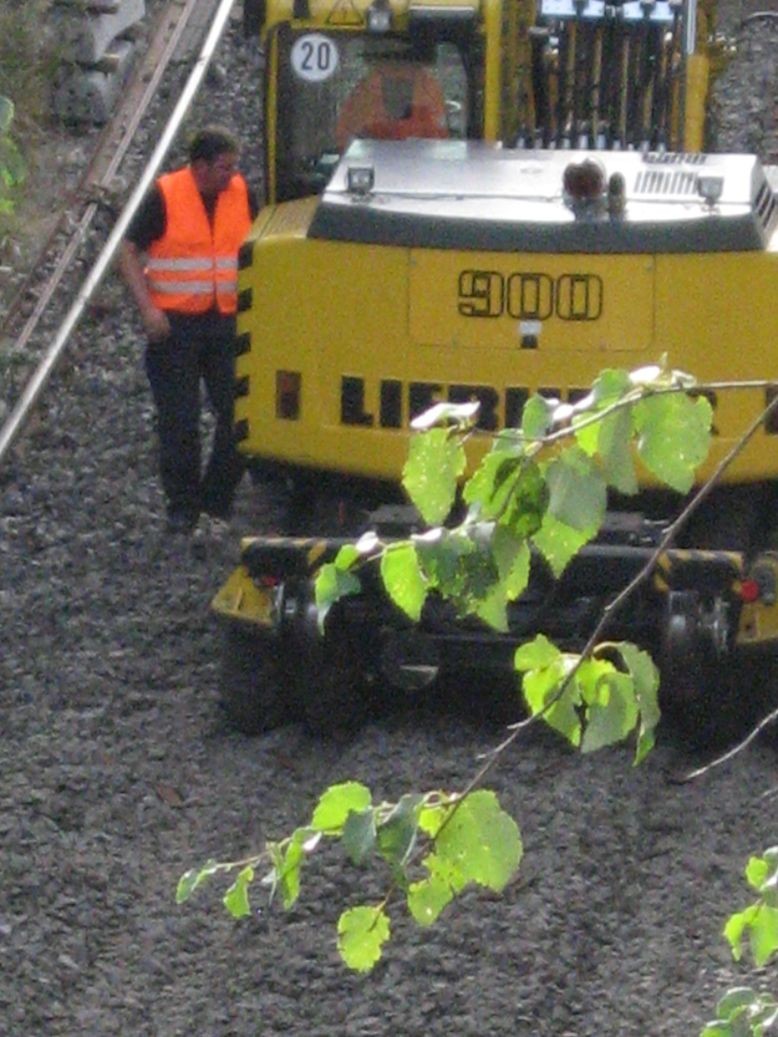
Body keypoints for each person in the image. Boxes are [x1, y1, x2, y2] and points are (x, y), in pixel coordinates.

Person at [119, 125, 257, 535]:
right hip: (174, 328)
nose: (231, 176)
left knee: (240, 418)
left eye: (234, 167)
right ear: (198, 166)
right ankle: (183, 505)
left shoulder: (241, 194)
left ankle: (214, 501)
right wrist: (148, 309)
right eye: (223, 167)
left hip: (225, 322)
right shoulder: (165, 195)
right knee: (179, 422)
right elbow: (126, 250)